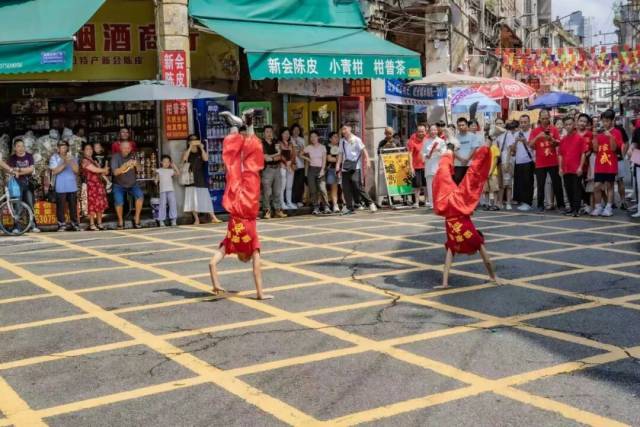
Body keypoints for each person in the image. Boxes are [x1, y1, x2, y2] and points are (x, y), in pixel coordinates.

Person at [209, 122, 272, 300]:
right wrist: (215, 284)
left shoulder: (252, 246)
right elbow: (211, 264)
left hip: (249, 206)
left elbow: (257, 269)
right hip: (234, 205)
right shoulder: (230, 243)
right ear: (238, 255)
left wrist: (260, 294)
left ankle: (249, 127)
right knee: (232, 169)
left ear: (248, 256)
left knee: (251, 168)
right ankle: (233, 129)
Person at [433, 140, 497, 288]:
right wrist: (493, 277)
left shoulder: (457, 243)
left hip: (451, 204)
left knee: (467, 176)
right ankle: (484, 142)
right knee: (466, 175)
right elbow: (487, 261)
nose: (470, 255)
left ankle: (451, 147)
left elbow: (448, 262)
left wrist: (445, 284)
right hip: (454, 204)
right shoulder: (474, 241)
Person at [528, 109, 564, 212]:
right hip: (540, 163)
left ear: (549, 118)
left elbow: (558, 143)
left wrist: (551, 139)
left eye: (547, 118)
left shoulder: (554, 129)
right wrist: (538, 137)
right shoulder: (535, 131)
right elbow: (530, 145)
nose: (545, 120)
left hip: (553, 161)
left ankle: (561, 205)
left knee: (557, 184)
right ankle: (540, 205)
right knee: (540, 185)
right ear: (539, 118)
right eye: (543, 118)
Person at [336, 125, 377, 215]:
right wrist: (338, 164)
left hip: (355, 167)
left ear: (350, 129)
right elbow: (340, 153)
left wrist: (367, 160)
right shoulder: (342, 141)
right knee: (346, 188)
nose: (343, 131)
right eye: (342, 129)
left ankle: (370, 203)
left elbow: (364, 150)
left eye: (345, 129)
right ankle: (349, 207)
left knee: (357, 186)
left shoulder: (356, 139)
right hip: (345, 167)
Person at [181, 134, 221, 225]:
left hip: (200, 177)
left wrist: (202, 148)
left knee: (205, 197)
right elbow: (184, 159)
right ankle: (196, 219)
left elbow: (206, 159)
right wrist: (190, 147)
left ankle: (213, 217)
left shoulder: (200, 151)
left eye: (196, 139)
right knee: (192, 199)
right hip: (190, 177)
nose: (194, 141)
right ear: (188, 141)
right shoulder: (186, 151)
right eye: (192, 139)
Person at [591, 109, 623, 217]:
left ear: (612, 121)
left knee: (609, 186)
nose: (605, 123)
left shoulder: (617, 132)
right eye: (603, 121)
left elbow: (614, 149)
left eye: (607, 121)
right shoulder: (600, 133)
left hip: (610, 164)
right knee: (596, 186)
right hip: (599, 164)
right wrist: (595, 137)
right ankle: (598, 207)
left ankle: (609, 207)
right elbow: (595, 149)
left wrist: (610, 136)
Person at [558, 116, 588, 217]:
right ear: (564, 126)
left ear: (574, 124)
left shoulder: (579, 138)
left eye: (570, 124)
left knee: (576, 190)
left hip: (576, 169)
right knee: (568, 189)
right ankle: (571, 208)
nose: (568, 126)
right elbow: (560, 155)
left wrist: (580, 167)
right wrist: (560, 168)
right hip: (566, 169)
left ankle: (576, 209)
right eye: (566, 124)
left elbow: (583, 153)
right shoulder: (563, 140)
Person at [8, 138, 40, 232]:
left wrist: (19, 170)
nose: (21, 148)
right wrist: (23, 170)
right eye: (18, 146)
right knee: (17, 205)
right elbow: (12, 171)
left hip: (28, 183)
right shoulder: (12, 158)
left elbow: (31, 169)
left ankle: (33, 225)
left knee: (30, 204)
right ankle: (17, 227)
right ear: (15, 148)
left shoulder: (29, 156)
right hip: (16, 185)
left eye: (22, 146)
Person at [111, 141, 144, 229]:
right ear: (120, 148)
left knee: (140, 196)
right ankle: (120, 220)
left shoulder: (133, 155)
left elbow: (140, 169)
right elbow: (115, 173)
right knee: (119, 201)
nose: (127, 150)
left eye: (128, 148)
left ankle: (136, 218)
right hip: (119, 184)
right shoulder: (115, 157)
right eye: (125, 148)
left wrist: (136, 164)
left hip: (132, 184)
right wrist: (125, 165)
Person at [49, 140, 80, 231]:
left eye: (65, 147)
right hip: (60, 186)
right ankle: (61, 224)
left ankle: (74, 224)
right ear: (58, 149)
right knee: (61, 207)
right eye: (61, 147)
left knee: (73, 207)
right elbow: (54, 171)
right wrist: (65, 163)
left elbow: (76, 171)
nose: (64, 149)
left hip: (72, 186)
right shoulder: (54, 158)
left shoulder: (73, 157)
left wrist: (71, 161)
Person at [81, 143, 109, 230]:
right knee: (92, 205)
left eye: (90, 149)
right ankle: (92, 223)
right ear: (83, 151)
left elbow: (103, 172)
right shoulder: (84, 161)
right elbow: (94, 170)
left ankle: (99, 223)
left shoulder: (94, 160)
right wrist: (103, 169)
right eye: (87, 149)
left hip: (98, 185)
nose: (89, 151)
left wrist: (104, 169)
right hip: (90, 185)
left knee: (99, 204)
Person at [261, 125, 287, 219]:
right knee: (267, 192)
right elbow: (265, 158)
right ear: (264, 133)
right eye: (267, 132)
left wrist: (272, 157)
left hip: (277, 169)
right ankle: (267, 211)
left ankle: (277, 210)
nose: (269, 134)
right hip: (267, 169)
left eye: (271, 132)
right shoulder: (262, 143)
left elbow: (280, 156)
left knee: (277, 191)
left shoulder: (276, 142)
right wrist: (275, 156)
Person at [303, 130, 330, 214]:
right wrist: (307, 159)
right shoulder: (308, 147)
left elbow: (324, 160)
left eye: (314, 136)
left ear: (318, 137)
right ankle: (316, 207)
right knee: (313, 189)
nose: (313, 138)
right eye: (311, 137)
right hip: (311, 170)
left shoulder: (322, 147)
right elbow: (300, 153)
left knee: (322, 188)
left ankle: (326, 207)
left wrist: (322, 170)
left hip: (320, 169)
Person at [512, 115, 535, 211]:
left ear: (529, 122)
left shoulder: (532, 133)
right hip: (518, 161)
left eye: (525, 122)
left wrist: (525, 141)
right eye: (521, 122)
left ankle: (528, 202)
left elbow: (534, 147)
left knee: (528, 183)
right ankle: (522, 201)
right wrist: (515, 142)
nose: (523, 124)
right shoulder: (516, 134)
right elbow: (513, 150)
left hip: (528, 161)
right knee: (519, 183)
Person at [422, 124, 447, 209]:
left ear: (437, 131)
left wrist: (438, 151)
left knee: (440, 185)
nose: (433, 132)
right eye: (431, 130)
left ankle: (440, 202)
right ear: (429, 131)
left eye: (435, 130)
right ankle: (432, 203)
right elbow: (423, 153)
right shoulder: (426, 141)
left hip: (438, 165)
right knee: (430, 185)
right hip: (429, 165)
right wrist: (426, 155)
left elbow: (444, 153)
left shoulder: (441, 141)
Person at [453, 118, 481, 184]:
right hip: (458, 164)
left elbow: (473, 149)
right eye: (459, 125)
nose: (461, 127)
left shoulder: (473, 136)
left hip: (470, 164)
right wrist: (461, 159)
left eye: (463, 125)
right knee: (458, 181)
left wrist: (467, 159)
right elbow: (453, 150)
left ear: (467, 125)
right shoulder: (454, 138)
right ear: (457, 126)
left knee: (470, 183)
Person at [576, 114, 594, 214]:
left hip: (587, 165)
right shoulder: (573, 133)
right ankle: (580, 204)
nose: (582, 123)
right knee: (577, 185)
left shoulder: (590, 134)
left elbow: (593, 148)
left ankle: (588, 205)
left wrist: (588, 153)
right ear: (577, 121)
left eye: (585, 122)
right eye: (581, 121)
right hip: (575, 165)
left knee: (587, 185)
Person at [407, 125, 428, 208]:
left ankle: (427, 201)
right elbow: (410, 154)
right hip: (416, 166)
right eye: (419, 131)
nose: (421, 133)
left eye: (423, 131)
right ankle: (416, 202)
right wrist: (411, 167)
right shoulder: (412, 141)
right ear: (416, 132)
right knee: (417, 185)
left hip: (426, 166)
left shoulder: (428, 139)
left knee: (426, 185)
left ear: (425, 131)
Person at [498, 121, 517, 210]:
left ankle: (508, 202)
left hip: (507, 161)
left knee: (508, 183)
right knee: (501, 183)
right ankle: (500, 202)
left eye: (501, 123)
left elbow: (510, 149)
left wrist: (506, 162)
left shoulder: (508, 134)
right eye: (497, 124)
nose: (499, 125)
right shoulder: (498, 135)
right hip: (500, 161)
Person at [156, 155, 179, 226]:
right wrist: (156, 180)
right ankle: (161, 220)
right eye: (164, 162)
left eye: (168, 162)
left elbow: (178, 173)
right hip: (163, 190)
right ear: (161, 162)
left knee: (173, 204)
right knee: (162, 205)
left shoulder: (170, 170)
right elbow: (156, 179)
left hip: (171, 190)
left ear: (170, 163)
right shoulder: (159, 170)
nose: (166, 163)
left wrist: (174, 165)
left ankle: (174, 220)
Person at [278, 128, 297, 210]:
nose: (287, 135)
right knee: (282, 187)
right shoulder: (278, 143)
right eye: (285, 133)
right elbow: (280, 155)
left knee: (289, 186)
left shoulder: (291, 144)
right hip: (282, 166)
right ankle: (282, 203)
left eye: (288, 134)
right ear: (281, 134)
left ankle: (289, 202)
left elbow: (294, 155)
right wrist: (286, 163)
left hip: (290, 167)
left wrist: (291, 163)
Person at [614, 117, 629, 210]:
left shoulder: (620, 129)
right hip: (607, 159)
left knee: (620, 180)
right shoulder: (603, 130)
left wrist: (623, 154)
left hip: (619, 158)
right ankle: (611, 202)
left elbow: (626, 142)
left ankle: (623, 201)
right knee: (609, 182)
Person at [483, 135, 502, 210]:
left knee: (494, 189)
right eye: (485, 140)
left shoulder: (495, 148)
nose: (486, 141)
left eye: (488, 140)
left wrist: (490, 171)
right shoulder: (484, 149)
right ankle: (487, 204)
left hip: (493, 172)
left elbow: (495, 161)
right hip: (485, 172)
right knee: (486, 190)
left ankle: (495, 204)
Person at [290, 124, 306, 208]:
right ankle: (292, 201)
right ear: (291, 130)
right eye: (294, 130)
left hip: (301, 165)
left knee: (300, 184)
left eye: (298, 130)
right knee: (292, 184)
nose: (296, 131)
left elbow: (305, 152)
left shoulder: (302, 140)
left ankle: (299, 200)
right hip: (291, 165)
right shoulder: (289, 139)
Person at [326, 131, 342, 213]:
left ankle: (345, 204)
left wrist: (338, 159)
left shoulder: (340, 146)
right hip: (331, 169)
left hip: (342, 169)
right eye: (335, 137)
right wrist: (340, 159)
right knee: (333, 188)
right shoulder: (327, 147)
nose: (337, 138)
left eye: (337, 137)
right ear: (330, 139)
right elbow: (329, 159)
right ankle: (335, 205)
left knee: (343, 188)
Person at [630, 118, 640, 218]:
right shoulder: (637, 130)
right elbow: (634, 143)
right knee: (639, 186)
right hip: (639, 161)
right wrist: (631, 149)